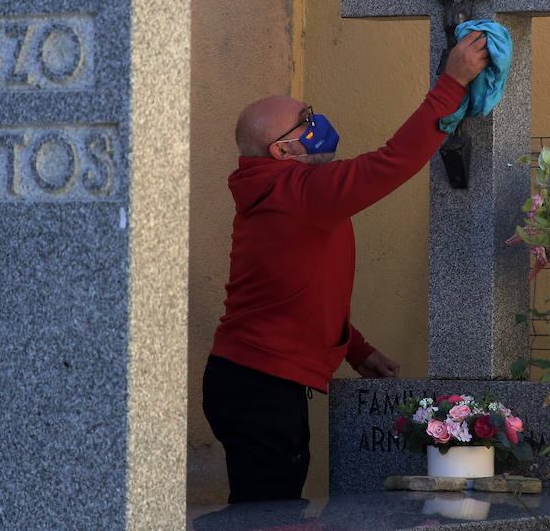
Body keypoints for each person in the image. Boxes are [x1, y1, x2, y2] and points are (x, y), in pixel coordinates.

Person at [202, 29, 490, 502]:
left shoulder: (284, 193)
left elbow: (301, 290)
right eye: (304, 120)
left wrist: (356, 350)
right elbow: (392, 163)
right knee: (268, 516)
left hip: (254, 382)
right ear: (282, 150)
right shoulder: (299, 192)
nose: (317, 122)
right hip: (259, 388)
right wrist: (452, 83)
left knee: (270, 508)